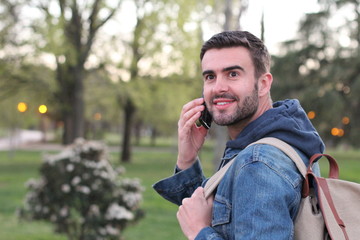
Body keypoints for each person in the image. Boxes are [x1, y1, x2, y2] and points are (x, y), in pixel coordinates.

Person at [153, 30, 325, 240]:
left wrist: (200, 233)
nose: (218, 88)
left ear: (263, 84)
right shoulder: (286, 139)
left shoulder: (258, 163)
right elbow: (221, 216)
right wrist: (187, 159)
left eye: (233, 74)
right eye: (210, 76)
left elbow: (206, 224)